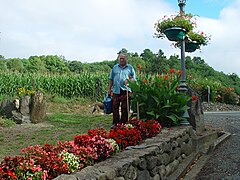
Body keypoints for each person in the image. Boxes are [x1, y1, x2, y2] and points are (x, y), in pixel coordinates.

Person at [107, 49, 136, 127]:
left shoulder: (130, 68)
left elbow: (134, 80)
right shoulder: (115, 68)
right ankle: (115, 123)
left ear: (126, 59)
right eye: (120, 58)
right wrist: (109, 89)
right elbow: (111, 79)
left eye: (123, 59)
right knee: (115, 107)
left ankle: (123, 123)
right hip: (116, 90)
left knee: (125, 107)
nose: (121, 60)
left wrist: (129, 81)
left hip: (126, 90)